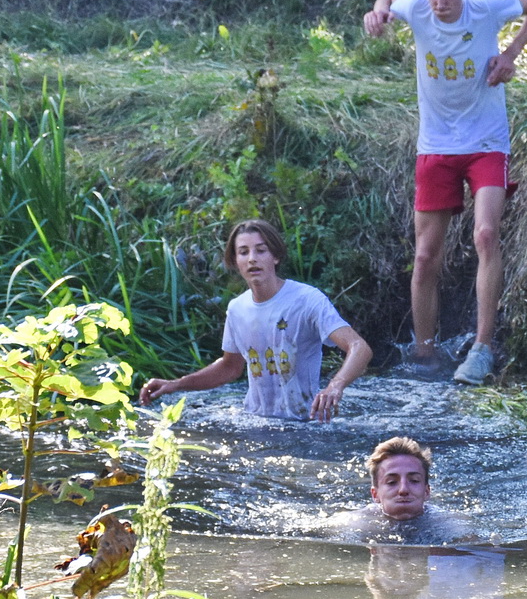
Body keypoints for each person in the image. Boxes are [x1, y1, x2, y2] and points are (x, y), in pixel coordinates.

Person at [362, 0, 527, 385]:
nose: (439, 4)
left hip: (486, 143)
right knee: (425, 255)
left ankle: (482, 350)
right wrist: (377, 12)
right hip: (435, 146)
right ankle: (424, 354)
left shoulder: (487, 9)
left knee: (485, 234)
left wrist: (511, 54)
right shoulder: (417, 9)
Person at [138, 219, 371, 422]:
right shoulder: (237, 308)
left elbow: (359, 347)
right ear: (234, 261)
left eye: (261, 251)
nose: (252, 259)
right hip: (256, 422)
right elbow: (230, 368)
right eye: (243, 252)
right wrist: (175, 384)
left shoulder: (307, 300)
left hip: (305, 421)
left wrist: (335, 386)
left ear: (275, 256)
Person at [332, 436, 477, 543]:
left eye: (414, 481)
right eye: (392, 482)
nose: (403, 490)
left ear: (427, 491)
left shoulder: (451, 524)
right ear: (375, 494)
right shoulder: (355, 522)